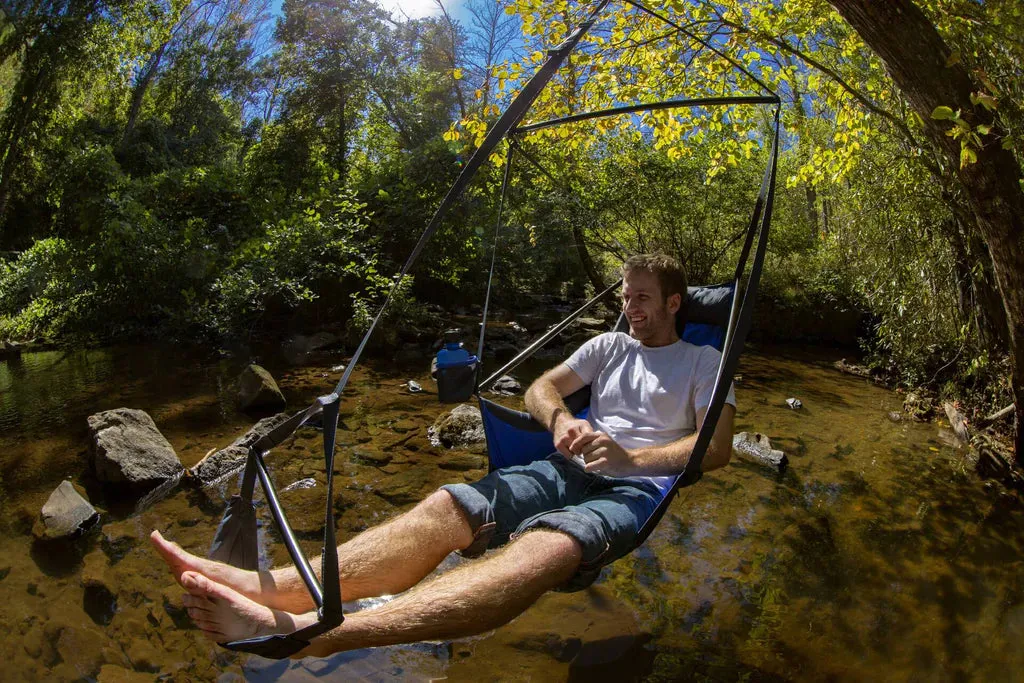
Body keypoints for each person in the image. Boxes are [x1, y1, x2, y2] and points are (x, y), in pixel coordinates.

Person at [151, 252, 736, 658]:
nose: (629, 307)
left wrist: (632, 461)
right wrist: (560, 422)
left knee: (548, 547)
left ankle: (318, 633)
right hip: (567, 464)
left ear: (675, 302)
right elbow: (540, 388)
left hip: (636, 487)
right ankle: (267, 587)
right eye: (625, 295)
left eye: (641, 298)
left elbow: (715, 449)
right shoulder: (609, 345)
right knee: (445, 507)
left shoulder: (706, 363)